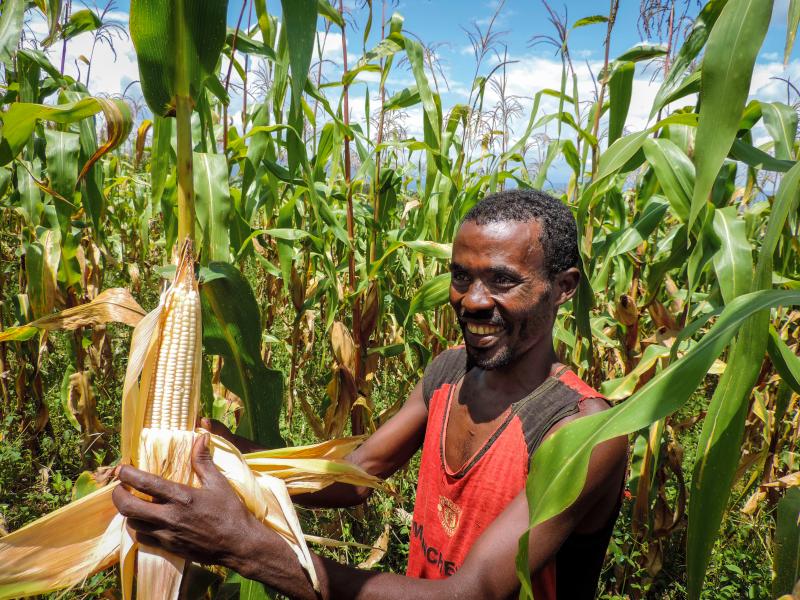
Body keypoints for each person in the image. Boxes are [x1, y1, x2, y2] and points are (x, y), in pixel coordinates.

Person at [113, 189, 628, 600]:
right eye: (460, 277)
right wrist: (220, 451)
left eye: (502, 281)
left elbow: (473, 592)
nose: (472, 301)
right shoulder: (448, 374)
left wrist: (245, 547)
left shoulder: (580, 432)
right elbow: (357, 477)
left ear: (562, 287)